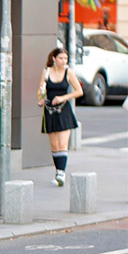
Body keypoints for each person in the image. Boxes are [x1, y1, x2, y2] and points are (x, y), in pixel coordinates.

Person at [37, 47, 83, 186]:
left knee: (63, 144)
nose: (64, 61)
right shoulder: (47, 72)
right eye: (61, 58)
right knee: (55, 145)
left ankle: (61, 173)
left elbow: (79, 91)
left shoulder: (69, 72)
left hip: (64, 110)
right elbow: (40, 91)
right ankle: (58, 171)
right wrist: (41, 98)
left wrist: (63, 98)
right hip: (50, 110)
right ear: (54, 59)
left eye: (66, 59)